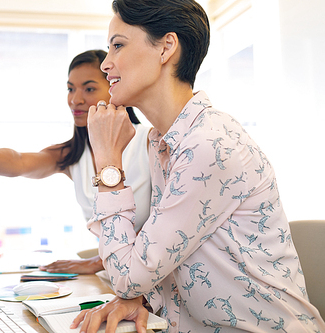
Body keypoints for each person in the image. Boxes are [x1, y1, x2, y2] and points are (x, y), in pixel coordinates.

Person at [71, 1, 325, 333]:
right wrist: (142, 298)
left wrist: (107, 164)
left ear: (166, 47)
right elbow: (167, 260)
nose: (106, 64)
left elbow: (127, 277)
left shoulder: (207, 145)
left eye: (118, 45)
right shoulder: (162, 142)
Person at [0, 49, 152, 274]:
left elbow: (163, 221)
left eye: (89, 89)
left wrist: (98, 261)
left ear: (115, 88)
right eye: (70, 89)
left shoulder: (149, 142)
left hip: (150, 277)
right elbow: (17, 162)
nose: (75, 100)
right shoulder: (72, 154)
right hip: (115, 276)